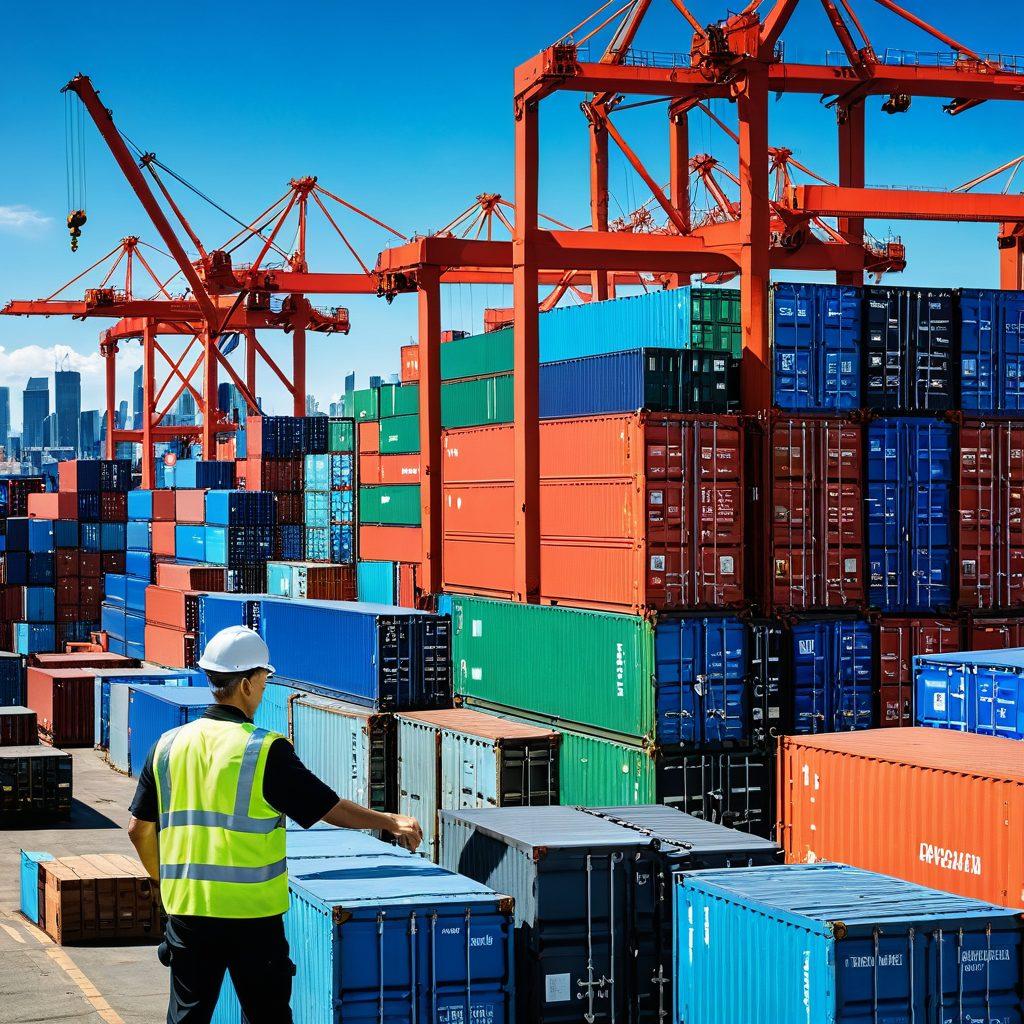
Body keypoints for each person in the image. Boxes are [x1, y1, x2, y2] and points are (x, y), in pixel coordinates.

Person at [127, 625, 422, 1024]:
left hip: (188, 914)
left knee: (187, 1018)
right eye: (264, 679)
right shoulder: (263, 749)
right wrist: (390, 821)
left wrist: (165, 881)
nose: (266, 687)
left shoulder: (166, 745)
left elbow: (138, 830)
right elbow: (327, 807)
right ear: (246, 684)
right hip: (254, 921)